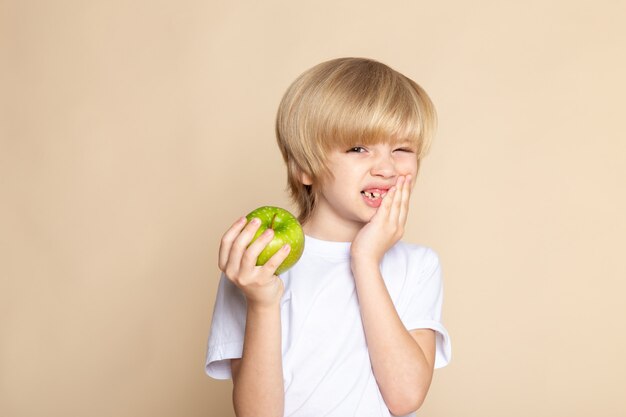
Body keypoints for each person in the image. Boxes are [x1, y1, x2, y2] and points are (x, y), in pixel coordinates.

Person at [205, 57, 451, 417]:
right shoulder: (256, 264)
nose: (385, 168)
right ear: (304, 167)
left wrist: (365, 260)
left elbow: (405, 397)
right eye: (358, 148)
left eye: (402, 149)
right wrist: (262, 303)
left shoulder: (419, 265)